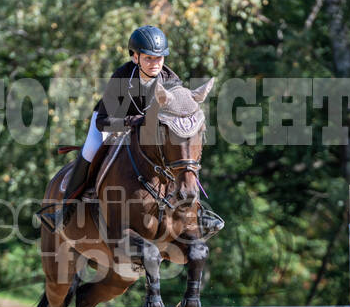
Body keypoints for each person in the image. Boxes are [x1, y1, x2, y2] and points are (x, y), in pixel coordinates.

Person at [40, 25, 223, 238]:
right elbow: (103, 122)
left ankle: (197, 213)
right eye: (148, 58)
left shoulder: (171, 81)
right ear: (135, 57)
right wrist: (134, 121)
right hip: (111, 123)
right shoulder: (122, 76)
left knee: (183, 152)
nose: (155, 64)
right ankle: (66, 209)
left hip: (147, 130)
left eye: (159, 58)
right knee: (90, 151)